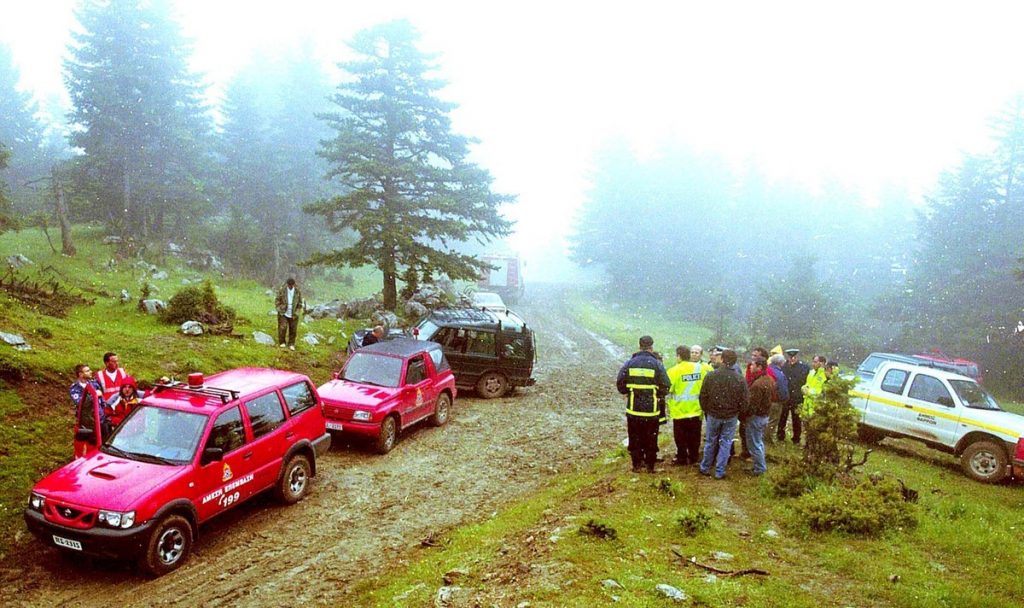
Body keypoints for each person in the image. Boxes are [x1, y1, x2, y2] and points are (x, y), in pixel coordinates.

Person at [616, 335, 671, 473]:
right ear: (651, 347)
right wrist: (656, 394)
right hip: (651, 411)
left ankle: (636, 464)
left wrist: (629, 391)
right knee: (651, 438)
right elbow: (666, 385)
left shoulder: (630, 363)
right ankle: (650, 466)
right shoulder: (657, 364)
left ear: (639, 346)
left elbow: (620, 384)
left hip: (633, 410)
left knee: (635, 437)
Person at [698, 349, 749, 479]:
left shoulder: (711, 376)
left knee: (710, 441)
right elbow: (745, 400)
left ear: (722, 359)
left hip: (713, 414)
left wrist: (707, 410)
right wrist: (738, 412)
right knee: (726, 443)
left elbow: (703, 395)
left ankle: (705, 467)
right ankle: (720, 471)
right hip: (731, 416)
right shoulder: (739, 378)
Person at [666, 345, 711, 465]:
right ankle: (694, 457)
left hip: (679, 410)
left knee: (680, 437)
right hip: (696, 409)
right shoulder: (700, 368)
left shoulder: (673, 371)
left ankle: (682, 458)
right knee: (695, 435)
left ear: (679, 356)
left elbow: (668, 389)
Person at [744, 358, 777, 475]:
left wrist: (745, 416)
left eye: (753, 365)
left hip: (756, 417)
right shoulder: (769, 379)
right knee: (758, 442)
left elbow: (753, 405)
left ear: (759, 367)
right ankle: (759, 466)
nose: (750, 367)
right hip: (764, 415)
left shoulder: (757, 384)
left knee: (754, 444)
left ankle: (760, 469)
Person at [779, 348, 811, 444]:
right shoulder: (783, 366)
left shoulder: (804, 367)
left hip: (797, 397)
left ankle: (796, 438)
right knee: (782, 417)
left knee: (796, 419)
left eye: (794, 357)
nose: (792, 359)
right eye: (790, 357)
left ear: (797, 357)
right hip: (786, 397)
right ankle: (780, 436)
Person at [765, 354, 790, 444]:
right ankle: (767, 439)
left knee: (767, 419)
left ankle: (764, 438)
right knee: (773, 420)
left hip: (768, 399)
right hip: (776, 401)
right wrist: (784, 398)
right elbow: (782, 388)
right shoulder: (778, 373)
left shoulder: (768, 369)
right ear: (780, 362)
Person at [275, 277, 303, 350]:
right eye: (289, 285)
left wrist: (297, 312)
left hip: (294, 313)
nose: (290, 286)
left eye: (292, 285)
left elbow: (300, 303)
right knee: (282, 327)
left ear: (294, 284)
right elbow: (277, 300)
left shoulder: (297, 291)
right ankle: (282, 342)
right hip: (283, 312)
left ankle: (291, 344)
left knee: (293, 329)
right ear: (287, 284)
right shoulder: (282, 290)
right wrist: (279, 309)